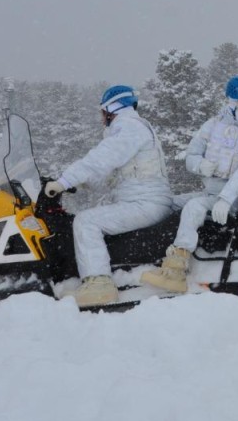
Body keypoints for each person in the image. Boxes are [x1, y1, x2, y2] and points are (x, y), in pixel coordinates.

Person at [42, 84, 173, 308]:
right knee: (88, 215)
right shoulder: (133, 128)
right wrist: (78, 182)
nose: (101, 117)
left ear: (111, 109)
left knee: (86, 222)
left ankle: (99, 286)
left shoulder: (129, 127)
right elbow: (106, 172)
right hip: (145, 200)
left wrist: (64, 181)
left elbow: (101, 159)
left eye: (102, 111)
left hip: (145, 203)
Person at [141, 75, 238, 294]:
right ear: (231, 104)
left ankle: (176, 271)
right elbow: (191, 155)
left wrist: (226, 199)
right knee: (169, 203)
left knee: (194, 207)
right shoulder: (212, 126)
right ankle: (148, 253)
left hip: (236, 198)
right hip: (210, 192)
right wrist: (202, 165)